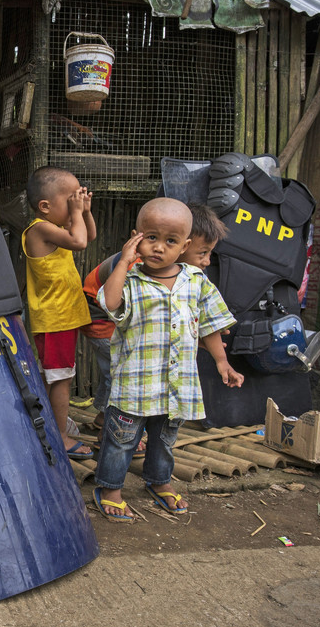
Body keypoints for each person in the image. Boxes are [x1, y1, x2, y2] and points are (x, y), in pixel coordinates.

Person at [93, 198, 242, 522]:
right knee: (121, 441)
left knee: (164, 441)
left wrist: (221, 362)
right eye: (151, 238)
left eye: (171, 241)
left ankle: (159, 480)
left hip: (177, 387)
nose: (159, 247)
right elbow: (110, 301)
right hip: (135, 386)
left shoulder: (196, 281)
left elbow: (211, 323)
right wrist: (124, 262)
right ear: (136, 238)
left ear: (185, 245)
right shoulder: (130, 281)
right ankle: (110, 489)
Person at [81, 203, 230, 455]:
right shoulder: (138, 268)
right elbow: (136, 317)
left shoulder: (181, 276)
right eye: (202, 253)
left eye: (209, 255)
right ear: (185, 245)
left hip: (119, 313)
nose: (206, 262)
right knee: (118, 370)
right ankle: (111, 425)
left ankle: (102, 418)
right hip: (101, 312)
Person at [21, 166, 96, 461]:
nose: (75, 203)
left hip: (64, 317)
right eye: (71, 199)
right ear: (45, 206)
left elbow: (87, 235)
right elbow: (78, 242)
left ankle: (55, 422)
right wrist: (77, 214)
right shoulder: (39, 228)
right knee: (62, 378)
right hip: (55, 318)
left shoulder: (57, 227)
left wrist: (84, 211)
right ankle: (61, 437)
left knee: (59, 375)